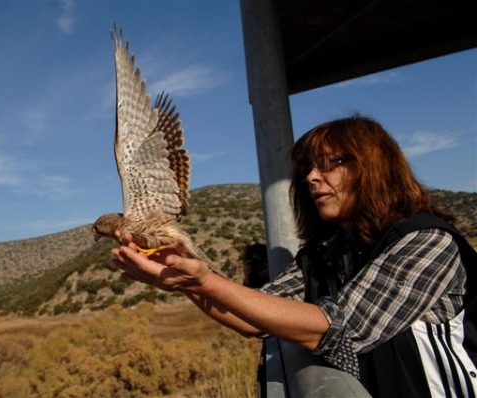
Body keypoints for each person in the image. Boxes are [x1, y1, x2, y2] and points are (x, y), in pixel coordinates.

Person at [111, 115, 477, 398]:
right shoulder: (327, 250)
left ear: (374, 170)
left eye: (331, 163)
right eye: (308, 168)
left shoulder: (427, 241)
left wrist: (204, 280)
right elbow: (255, 317)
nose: (312, 178)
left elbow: (342, 327)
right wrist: (185, 281)